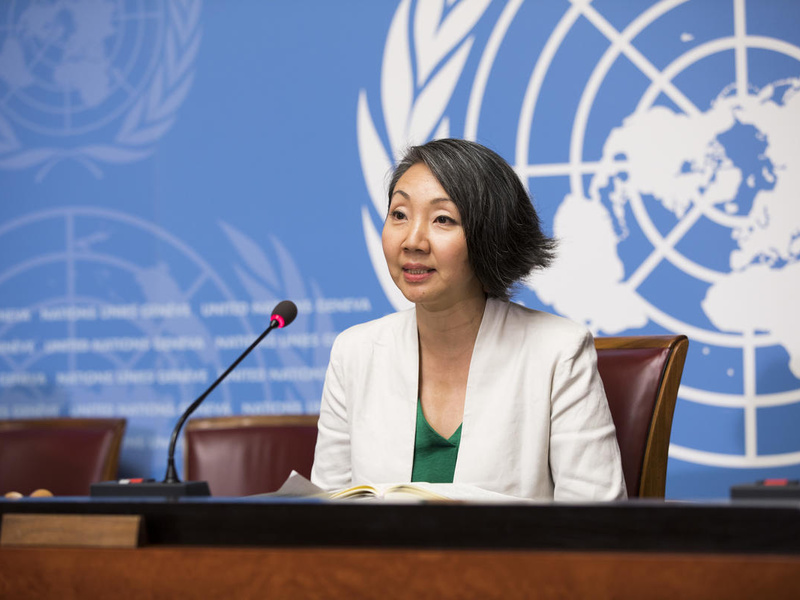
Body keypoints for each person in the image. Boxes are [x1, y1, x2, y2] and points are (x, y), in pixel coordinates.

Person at [311, 138, 626, 501]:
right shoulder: (354, 352)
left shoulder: (558, 353)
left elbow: (595, 525)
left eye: (443, 219)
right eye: (399, 214)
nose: (413, 240)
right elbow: (324, 516)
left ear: (489, 237)